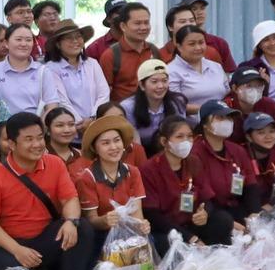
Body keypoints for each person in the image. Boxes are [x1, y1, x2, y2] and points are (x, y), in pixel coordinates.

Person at [0, 112, 95, 270]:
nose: (37, 144)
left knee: (82, 228)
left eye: (40, 137)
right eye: (29, 139)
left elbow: (70, 199)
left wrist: (71, 221)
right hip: (9, 242)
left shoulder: (54, 164)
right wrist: (17, 250)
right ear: (12, 144)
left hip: (43, 238)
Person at [137, 117, 232, 251]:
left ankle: (218, 256)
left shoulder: (194, 162)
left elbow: (206, 197)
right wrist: (189, 237)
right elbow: (152, 214)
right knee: (167, 243)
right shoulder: (148, 169)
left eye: (189, 136)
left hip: (191, 222)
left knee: (223, 219)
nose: (186, 141)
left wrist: (205, 212)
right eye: (179, 137)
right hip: (167, 228)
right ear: (164, 141)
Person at [73, 114, 147, 230]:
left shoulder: (133, 172)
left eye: (117, 140)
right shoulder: (86, 177)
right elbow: (91, 219)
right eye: (106, 143)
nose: (113, 147)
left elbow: (137, 214)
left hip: (129, 230)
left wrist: (142, 226)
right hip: (101, 235)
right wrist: (104, 220)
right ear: (95, 148)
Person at [193, 102, 260, 225]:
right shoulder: (195, 153)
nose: (227, 122)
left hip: (236, 206)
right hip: (211, 213)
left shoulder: (237, 150)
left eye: (229, 118)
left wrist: (254, 214)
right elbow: (205, 196)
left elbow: (251, 185)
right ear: (205, 124)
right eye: (220, 118)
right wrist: (231, 224)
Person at [0, 24, 46, 144]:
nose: (24, 44)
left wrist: (38, 132)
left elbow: (51, 106)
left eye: (28, 40)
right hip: (4, 138)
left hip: (35, 136)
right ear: (6, 43)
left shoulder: (44, 71)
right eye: (18, 39)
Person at [39, 24, 105, 122]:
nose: (75, 41)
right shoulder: (50, 68)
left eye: (78, 36)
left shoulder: (92, 63)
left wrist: (93, 118)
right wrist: (78, 122)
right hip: (67, 124)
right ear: (58, 44)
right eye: (68, 38)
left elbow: (103, 94)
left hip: (96, 122)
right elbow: (61, 100)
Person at [165, 25, 231, 122]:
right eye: (192, 44)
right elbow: (176, 106)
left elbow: (227, 92)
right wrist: (209, 109)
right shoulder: (171, 71)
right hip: (191, 126)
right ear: (179, 46)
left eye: (201, 42)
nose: (198, 47)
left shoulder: (216, 66)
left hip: (221, 121)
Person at [98, 3, 157, 103]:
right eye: (137, 23)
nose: (143, 27)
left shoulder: (154, 51)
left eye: (146, 23)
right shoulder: (110, 55)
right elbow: (103, 94)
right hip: (122, 110)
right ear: (123, 26)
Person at [126, 59, 188, 151]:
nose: (160, 86)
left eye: (164, 81)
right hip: (139, 151)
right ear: (142, 85)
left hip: (168, 150)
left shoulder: (176, 103)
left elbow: (180, 134)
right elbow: (132, 142)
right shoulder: (128, 107)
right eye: (154, 82)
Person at [174, 0, 237, 70]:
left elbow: (229, 72)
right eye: (194, 9)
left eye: (202, 8)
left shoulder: (219, 43)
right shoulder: (174, 45)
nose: (200, 12)